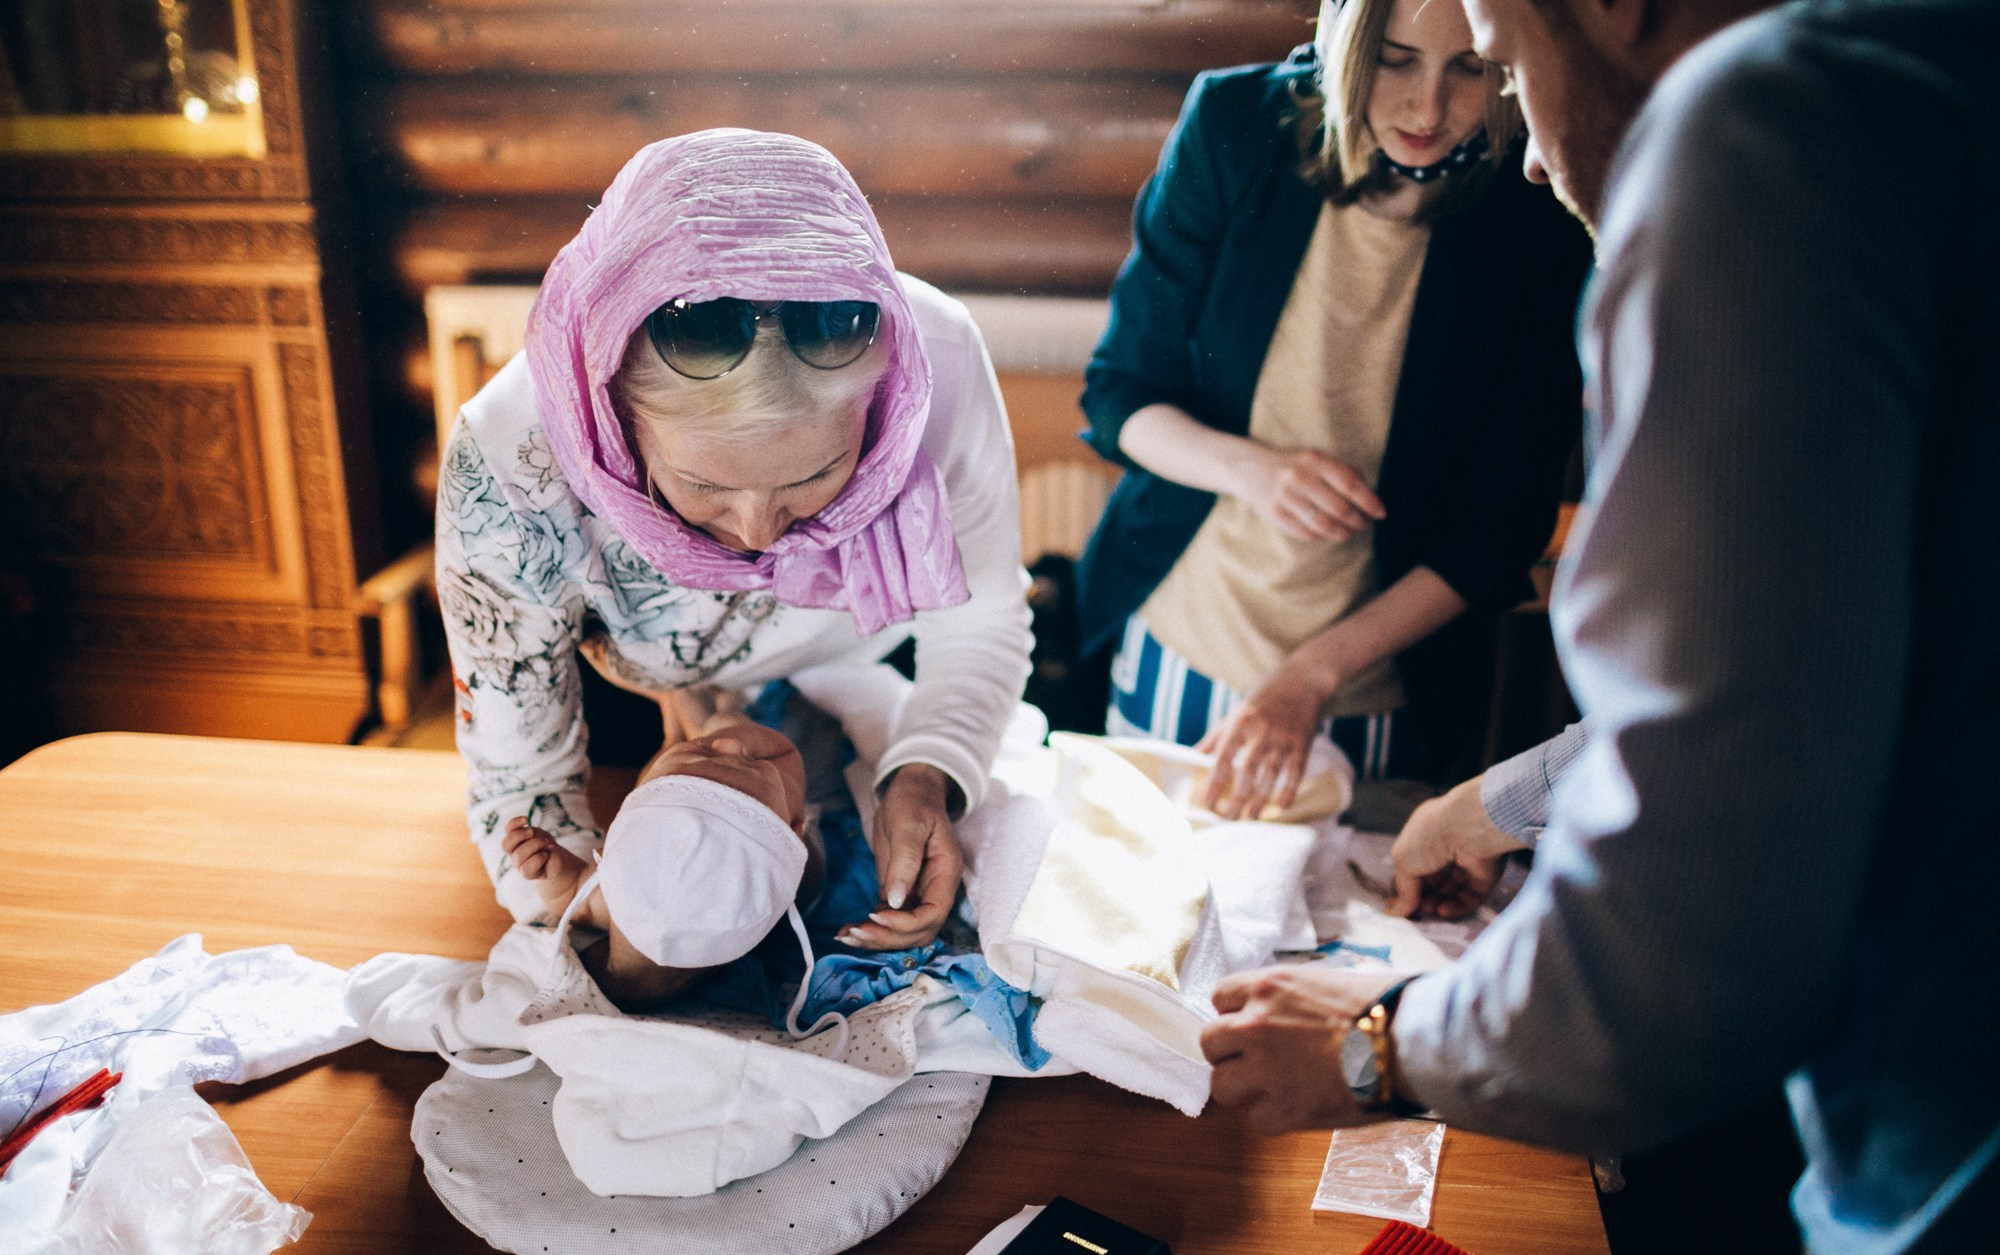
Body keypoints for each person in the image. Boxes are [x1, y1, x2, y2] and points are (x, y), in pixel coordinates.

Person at [1200, 0, 2000, 1255]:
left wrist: (1371, 1046)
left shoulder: (1766, 126)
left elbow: (1685, 946)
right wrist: (1512, 798)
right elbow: (1827, 664)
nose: (1522, 152)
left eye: (1507, 65)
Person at [437, 129, 1032, 953]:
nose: (758, 538)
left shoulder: (940, 361)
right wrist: (596, 916)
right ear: (615, 416)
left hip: (867, 664)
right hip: (629, 689)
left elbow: (980, 624)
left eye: (815, 478)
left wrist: (929, 770)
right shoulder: (510, 458)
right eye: (707, 488)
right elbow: (521, 778)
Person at [1074, 0, 1591, 817]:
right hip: (1182, 632)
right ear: (1343, 39)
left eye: (1471, 68)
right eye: (1395, 59)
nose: (1428, 109)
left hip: (1381, 683)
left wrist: (1313, 672)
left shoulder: (1537, 206)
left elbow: (1501, 528)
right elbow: (1119, 395)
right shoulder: (1236, 125)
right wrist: (1255, 470)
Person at [502, 702, 814, 1012]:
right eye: (754, 764)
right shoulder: (787, 887)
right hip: (817, 868)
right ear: (797, 829)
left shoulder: (623, 899)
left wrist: (553, 872)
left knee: (713, 732)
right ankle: (690, 721)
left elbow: (571, 898)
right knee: (724, 720)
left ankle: (679, 730)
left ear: (609, 857)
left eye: (705, 752)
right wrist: (718, 731)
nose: (730, 744)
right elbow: (783, 751)